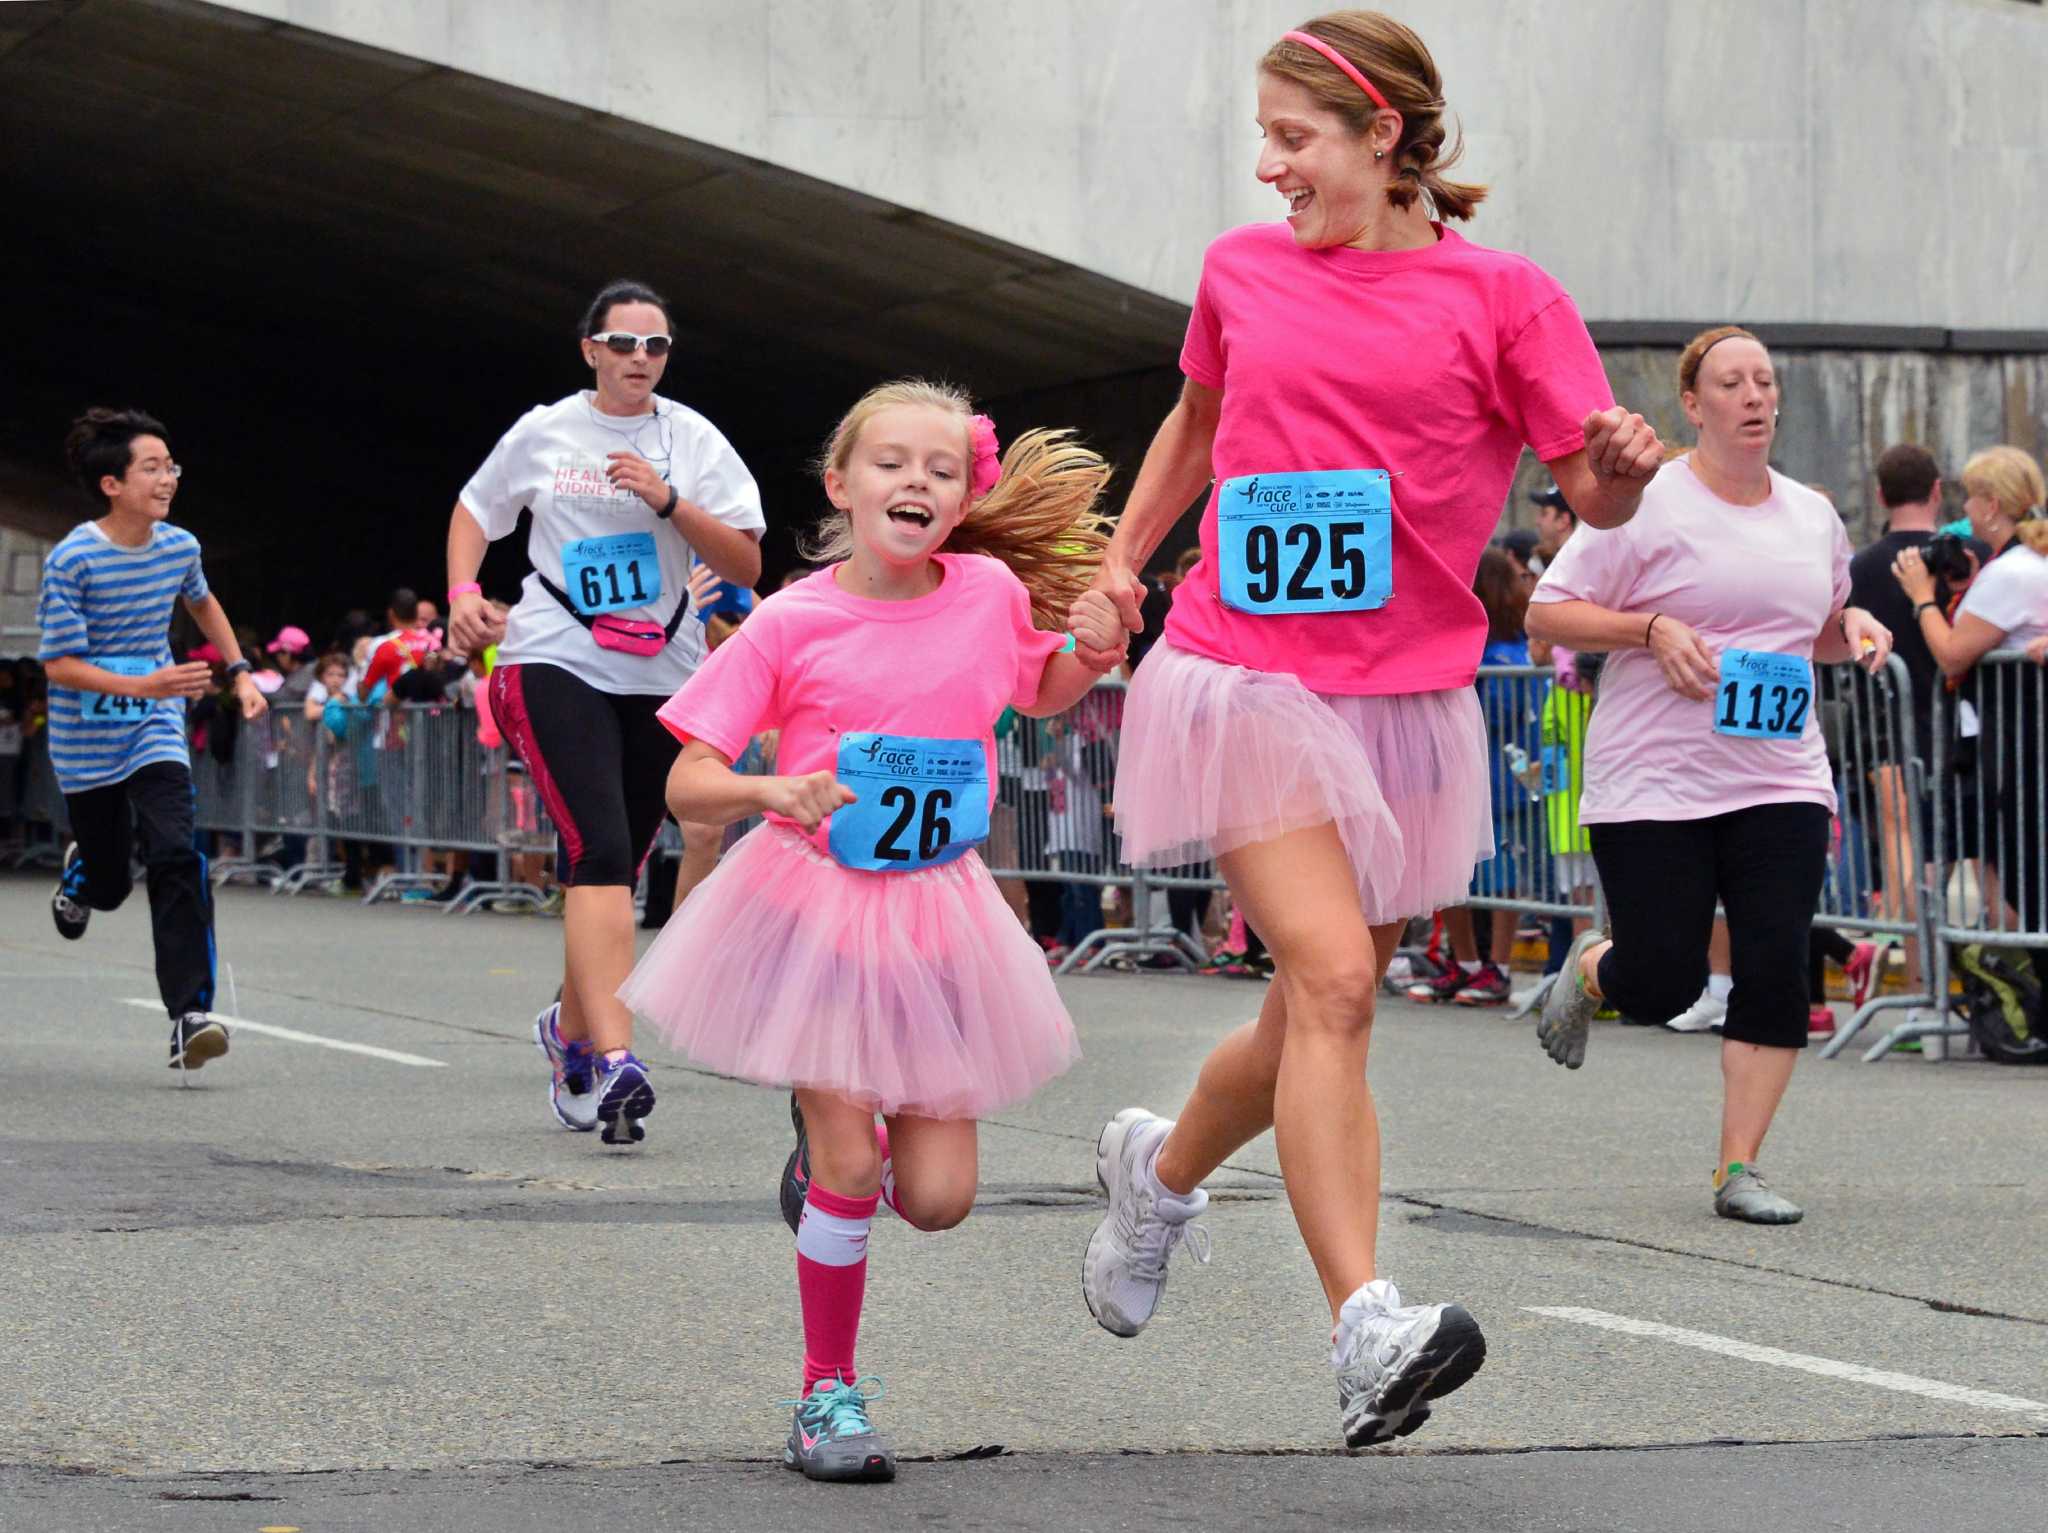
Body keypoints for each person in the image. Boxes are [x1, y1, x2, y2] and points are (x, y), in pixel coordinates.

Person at [1077, 12, 1664, 1449]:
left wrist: (1626, 472)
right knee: (1336, 982)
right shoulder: (1241, 271)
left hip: (1402, 699)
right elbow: (1198, 426)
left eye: (1295, 139)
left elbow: (1591, 498)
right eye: (1265, 138)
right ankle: (1366, 1328)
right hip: (1244, 672)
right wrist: (1119, 559)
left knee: (1304, 1017)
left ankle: (1157, 1173)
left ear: (1382, 139)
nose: (1269, 167)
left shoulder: (1509, 299)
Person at [618, 380, 1123, 1482]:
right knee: (853, 1162)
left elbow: (1035, 688)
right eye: (891, 463)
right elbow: (685, 784)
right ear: (841, 486)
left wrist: (1087, 647)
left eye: (941, 471)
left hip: (942, 912)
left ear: (963, 497)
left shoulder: (988, 590)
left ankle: (826, 1170)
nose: (916, 483)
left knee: (936, 1202)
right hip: (819, 913)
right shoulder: (792, 620)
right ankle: (824, 1396)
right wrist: (772, 793)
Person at [1529, 325, 1894, 1224]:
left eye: (1766, 382)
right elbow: (1551, 609)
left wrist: (1852, 632)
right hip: (1656, 778)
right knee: (1669, 980)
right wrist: (1649, 630)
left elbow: (1813, 622)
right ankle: (1595, 968)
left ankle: (1740, 1168)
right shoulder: (1644, 505)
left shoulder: (1812, 515)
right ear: (1694, 404)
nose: (1756, 396)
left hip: (1780, 774)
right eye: (1733, 382)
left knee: (1774, 962)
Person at [446, 278, 765, 1144]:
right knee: (601, 848)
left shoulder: (692, 439)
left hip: (662, 669)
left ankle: (571, 1030)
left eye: (655, 346)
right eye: (622, 343)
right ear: (590, 349)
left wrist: (669, 501)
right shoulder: (547, 429)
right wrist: (462, 590)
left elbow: (746, 557)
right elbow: (477, 509)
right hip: (555, 652)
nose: (639, 360)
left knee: (615, 864)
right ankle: (621, 1057)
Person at [40, 407, 268, 1070]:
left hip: (154, 726)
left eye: (171, 466)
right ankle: (86, 872)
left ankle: (189, 1013)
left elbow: (201, 601)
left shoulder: (179, 546)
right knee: (112, 883)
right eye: (152, 466)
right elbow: (58, 664)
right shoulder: (72, 560)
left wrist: (241, 672)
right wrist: (144, 684)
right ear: (113, 483)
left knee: (175, 850)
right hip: (87, 739)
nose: (168, 478)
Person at [1892, 445, 2048, 1004]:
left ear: (1988, 504)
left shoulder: (2011, 573)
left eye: (1970, 498)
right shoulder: (2030, 563)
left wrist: (1921, 599)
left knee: (2022, 873)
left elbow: (1953, 654)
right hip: (2019, 740)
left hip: (2014, 745)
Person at [1847, 445, 1982, 995]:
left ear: (1880, 495)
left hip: (1883, 722)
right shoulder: (1966, 554)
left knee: (1904, 841)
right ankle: (1939, 969)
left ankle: (1911, 969)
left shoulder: (1860, 565)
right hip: (1960, 718)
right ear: (1936, 491)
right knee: (1947, 848)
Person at [1407, 547, 1533, 1006]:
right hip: (1452, 774)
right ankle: (1465, 961)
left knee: (1499, 875)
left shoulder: (1506, 653)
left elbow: (1501, 712)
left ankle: (1496, 967)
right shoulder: (1471, 647)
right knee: (1449, 873)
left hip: (1498, 777)